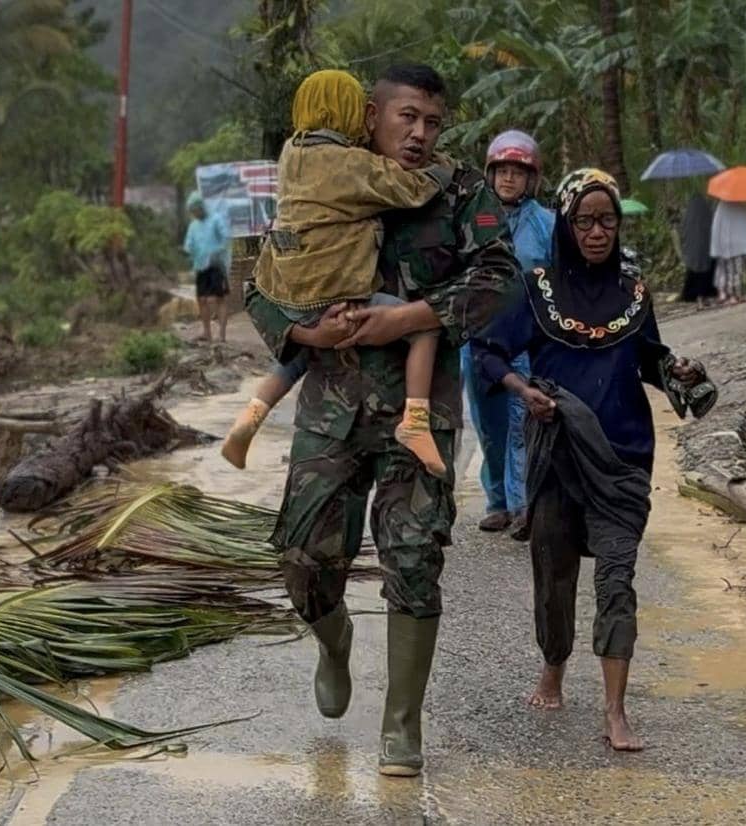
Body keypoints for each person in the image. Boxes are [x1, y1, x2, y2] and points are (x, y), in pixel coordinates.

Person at [244, 64, 519, 778]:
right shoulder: (323, 172)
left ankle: (401, 726)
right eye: (407, 118)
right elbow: (264, 280)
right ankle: (333, 644)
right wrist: (301, 336)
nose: (421, 134)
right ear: (372, 115)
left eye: (433, 121)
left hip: (420, 414)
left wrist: (411, 316)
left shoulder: (459, 190)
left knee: (414, 559)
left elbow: (499, 275)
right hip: (330, 413)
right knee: (303, 562)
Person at [472, 168, 707, 752]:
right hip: (557, 456)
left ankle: (615, 710)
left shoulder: (634, 293)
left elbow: (647, 358)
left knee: (617, 579)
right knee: (554, 570)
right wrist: (523, 392)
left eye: (607, 221)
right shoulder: (537, 287)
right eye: (585, 221)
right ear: (566, 223)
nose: (597, 232)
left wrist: (676, 369)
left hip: (624, 455)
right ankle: (553, 667)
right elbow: (489, 353)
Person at [221, 69, 448, 476]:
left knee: (300, 357)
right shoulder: (350, 163)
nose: (418, 133)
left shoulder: (292, 151)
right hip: (338, 292)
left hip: (288, 291)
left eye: (430, 123)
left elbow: (254, 294)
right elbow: (409, 190)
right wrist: (443, 169)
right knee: (425, 330)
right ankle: (415, 421)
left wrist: (306, 332)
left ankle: (250, 417)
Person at [461, 129, 554, 539]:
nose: (509, 179)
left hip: (526, 340)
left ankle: (522, 505)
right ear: (490, 173)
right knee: (489, 426)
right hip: (478, 340)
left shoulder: (547, 224)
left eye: (518, 171)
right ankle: (497, 501)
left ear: (531, 178)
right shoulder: (474, 218)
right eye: (502, 170)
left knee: (522, 422)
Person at [183, 191, 231, 342]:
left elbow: (226, 238)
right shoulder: (193, 226)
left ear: (201, 207)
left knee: (219, 298)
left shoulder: (216, 219)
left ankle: (221, 334)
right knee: (202, 299)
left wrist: (215, 252)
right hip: (200, 266)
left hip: (216, 266)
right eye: (192, 211)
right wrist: (188, 250)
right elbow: (188, 244)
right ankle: (207, 332)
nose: (194, 213)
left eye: (195, 210)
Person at [709, 198, 746, 304]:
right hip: (739, 244)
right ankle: (737, 294)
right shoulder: (741, 205)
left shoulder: (721, 207)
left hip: (726, 244)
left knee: (729, 270)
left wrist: (717, 245)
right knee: (738, 270)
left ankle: (731, 295)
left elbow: (716, 226)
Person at [678, 193, 717, 307]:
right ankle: (704, 298)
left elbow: (684, 234)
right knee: (705, 275)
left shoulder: (688, 217)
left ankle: (700, 299)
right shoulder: (707, 215)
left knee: (696, 275)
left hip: (693, 253)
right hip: (706, 251)